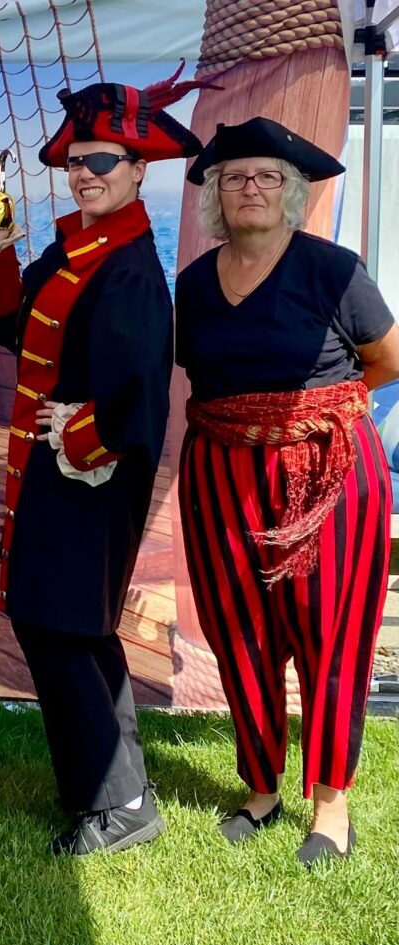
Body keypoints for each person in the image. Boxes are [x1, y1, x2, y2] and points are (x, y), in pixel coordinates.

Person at [0, 70, 205, 855]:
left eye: (101, 161)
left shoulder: (130, 267)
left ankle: (115, 802)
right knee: (78, 627)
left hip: (90, 473)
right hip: (56, 468)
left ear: (137, 171)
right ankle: (119, 786)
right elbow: (8, 321)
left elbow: (139, 397)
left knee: (58, 623)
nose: (85, 173)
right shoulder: (74, 246)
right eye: (75, 163)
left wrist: (80, 433)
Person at [176, 117, 399, 866]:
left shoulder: (334, 270)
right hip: (220, 471)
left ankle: (331, 804)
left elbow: (387, 359)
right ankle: (262, 787)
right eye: (235, 176)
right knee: (240, 629)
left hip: (329, 471)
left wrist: (315, 416)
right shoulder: (193, 285)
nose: (251, 188)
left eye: (267, 176)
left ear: (293, 191)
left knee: (328, 633)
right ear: (216, 195)